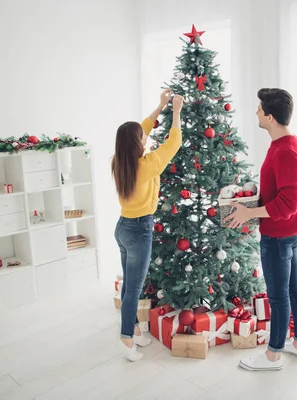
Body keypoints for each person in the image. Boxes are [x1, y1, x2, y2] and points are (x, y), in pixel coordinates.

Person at [225, 88, 297, 371]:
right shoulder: (284, 144)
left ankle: (273, 355)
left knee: (278, 295)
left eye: (260, 110)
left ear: (270, 117)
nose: (257, 112)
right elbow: (281, 192)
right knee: (293, 288)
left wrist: (250, 212)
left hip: (278, 236)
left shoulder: (286, 151)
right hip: (287, 234)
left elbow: (288, 204)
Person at [112, 89, 183, 361]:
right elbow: (173, 143)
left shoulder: (120, 161)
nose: (146, 136)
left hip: (122, 228)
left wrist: (160, 106)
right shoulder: (148, 165)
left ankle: (133, 329)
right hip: (139, 230)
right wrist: (175, 111)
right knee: (134, 289)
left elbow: (140, 130)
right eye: (142, 137)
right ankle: (126, 338)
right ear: (137, 144)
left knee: (129, 286)